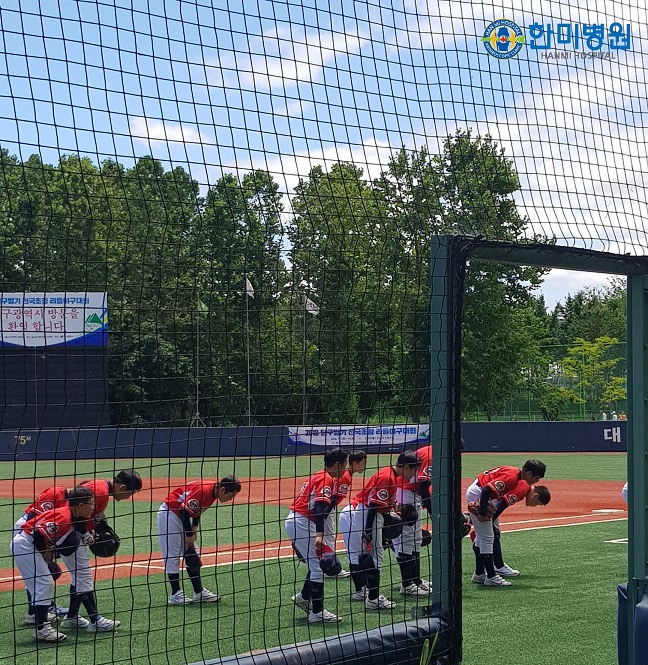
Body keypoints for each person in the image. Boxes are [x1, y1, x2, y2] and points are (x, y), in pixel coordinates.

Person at [10, 486, 100, 642]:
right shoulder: (64, 516)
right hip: (25, 545)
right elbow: (38, 534)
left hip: (27, 545)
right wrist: (45, 552)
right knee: (44, 583)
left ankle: (39, 623)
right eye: (91, 503)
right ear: (80, 505)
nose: (93, 507)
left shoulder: (71, 515)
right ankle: (42, 629)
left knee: (40, 585)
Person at [339, 450, 421, 610]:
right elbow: (373, 505)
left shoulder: (393, 476)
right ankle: (373, 598)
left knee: (370, 554)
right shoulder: (387, 477)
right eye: (414, 470)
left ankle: (368, 593)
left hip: (370, 514)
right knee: (376, 555)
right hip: (368, 514)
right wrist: (369, 530)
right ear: (406, 468)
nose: (414, 475)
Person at [285, 448, 349, 623]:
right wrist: (319, 534)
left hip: (299, 521)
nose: (346, 468)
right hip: (302, 522)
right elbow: (319, 507)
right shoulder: (326, 478)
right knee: (318, 567)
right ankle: (317, 613)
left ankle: (304, 597)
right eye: (345, 464)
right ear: (337, 464)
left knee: (316, 564)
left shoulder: (319, 475)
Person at [158, 475, 241, 605]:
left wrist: (194, 527)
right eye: (230, 496)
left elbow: (197, 510)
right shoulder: (204, 490)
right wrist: (189, 533)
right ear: (223, 490)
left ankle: (199, 592)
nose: (230, 499)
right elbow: (184, 510)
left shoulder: (213, 492)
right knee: (172, 555)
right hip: (170, 513)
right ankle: (175, 594)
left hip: (181, 515)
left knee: (192, 553)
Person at [465, 459, 546, 587]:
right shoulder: (512, 478)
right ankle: (491, 576)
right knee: (487, 538)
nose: (537, 481)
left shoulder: (515, 475)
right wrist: (482, 514)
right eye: (537, 478)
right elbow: (486, 490)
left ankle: (480, 574)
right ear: (529, 473)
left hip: (479, 492)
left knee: (484, 537)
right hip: (478, 493)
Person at [14, 485, 75, 623]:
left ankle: (39, 609)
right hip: (27, 530)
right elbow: (32, 517)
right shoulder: (55, 493)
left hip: (38, 531)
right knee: (39, 574)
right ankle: (36, 612)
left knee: (44, 573)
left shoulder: (68, 502)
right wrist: (43, 549)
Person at [392, 443, 432, 597]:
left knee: (416, 540)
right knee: (407, 541)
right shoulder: (430, 455)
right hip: (406, 494)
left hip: (412, 495)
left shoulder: (432, 452)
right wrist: (434, 515)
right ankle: (407, 585)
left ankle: (415, 581)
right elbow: (424, 487)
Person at [324, 449, 368, 580]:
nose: (365, 466)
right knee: (329, 538)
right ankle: (332, 568)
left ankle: (326, 566)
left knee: (326, 537)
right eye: (363, 463)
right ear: (354, 463)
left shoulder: (345, 475)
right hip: (326, 508)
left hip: (325, 507)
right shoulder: (346, 477)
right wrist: (325, 515)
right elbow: (333, 498)